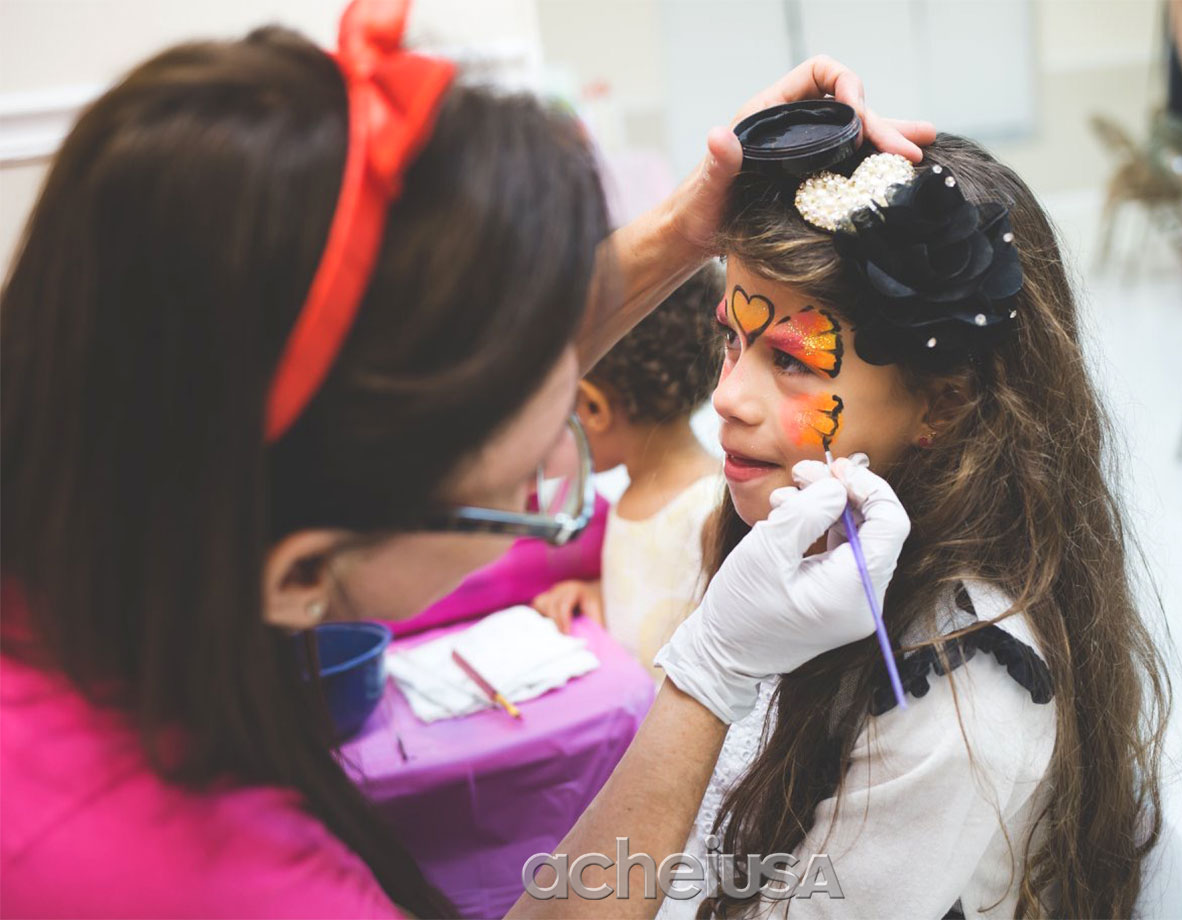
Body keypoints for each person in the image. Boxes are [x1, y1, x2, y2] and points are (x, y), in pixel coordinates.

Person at [0, 0, 936, 916]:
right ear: (301, 576)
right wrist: (712, 671)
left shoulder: (117, 513)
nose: (728, 397)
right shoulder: (192, 879)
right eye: (529, 483)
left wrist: (690, 227)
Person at [649, 135, 1174, 919]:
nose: (726, 397)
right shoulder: (799, 548)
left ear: (942, 404)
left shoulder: (957, 705)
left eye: (790, 360)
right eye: (732, 339)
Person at [532, 264, 724, 679]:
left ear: (593, 408)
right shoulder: (635, 491)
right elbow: (660, 597)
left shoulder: (711, 513)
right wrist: (595, 594)